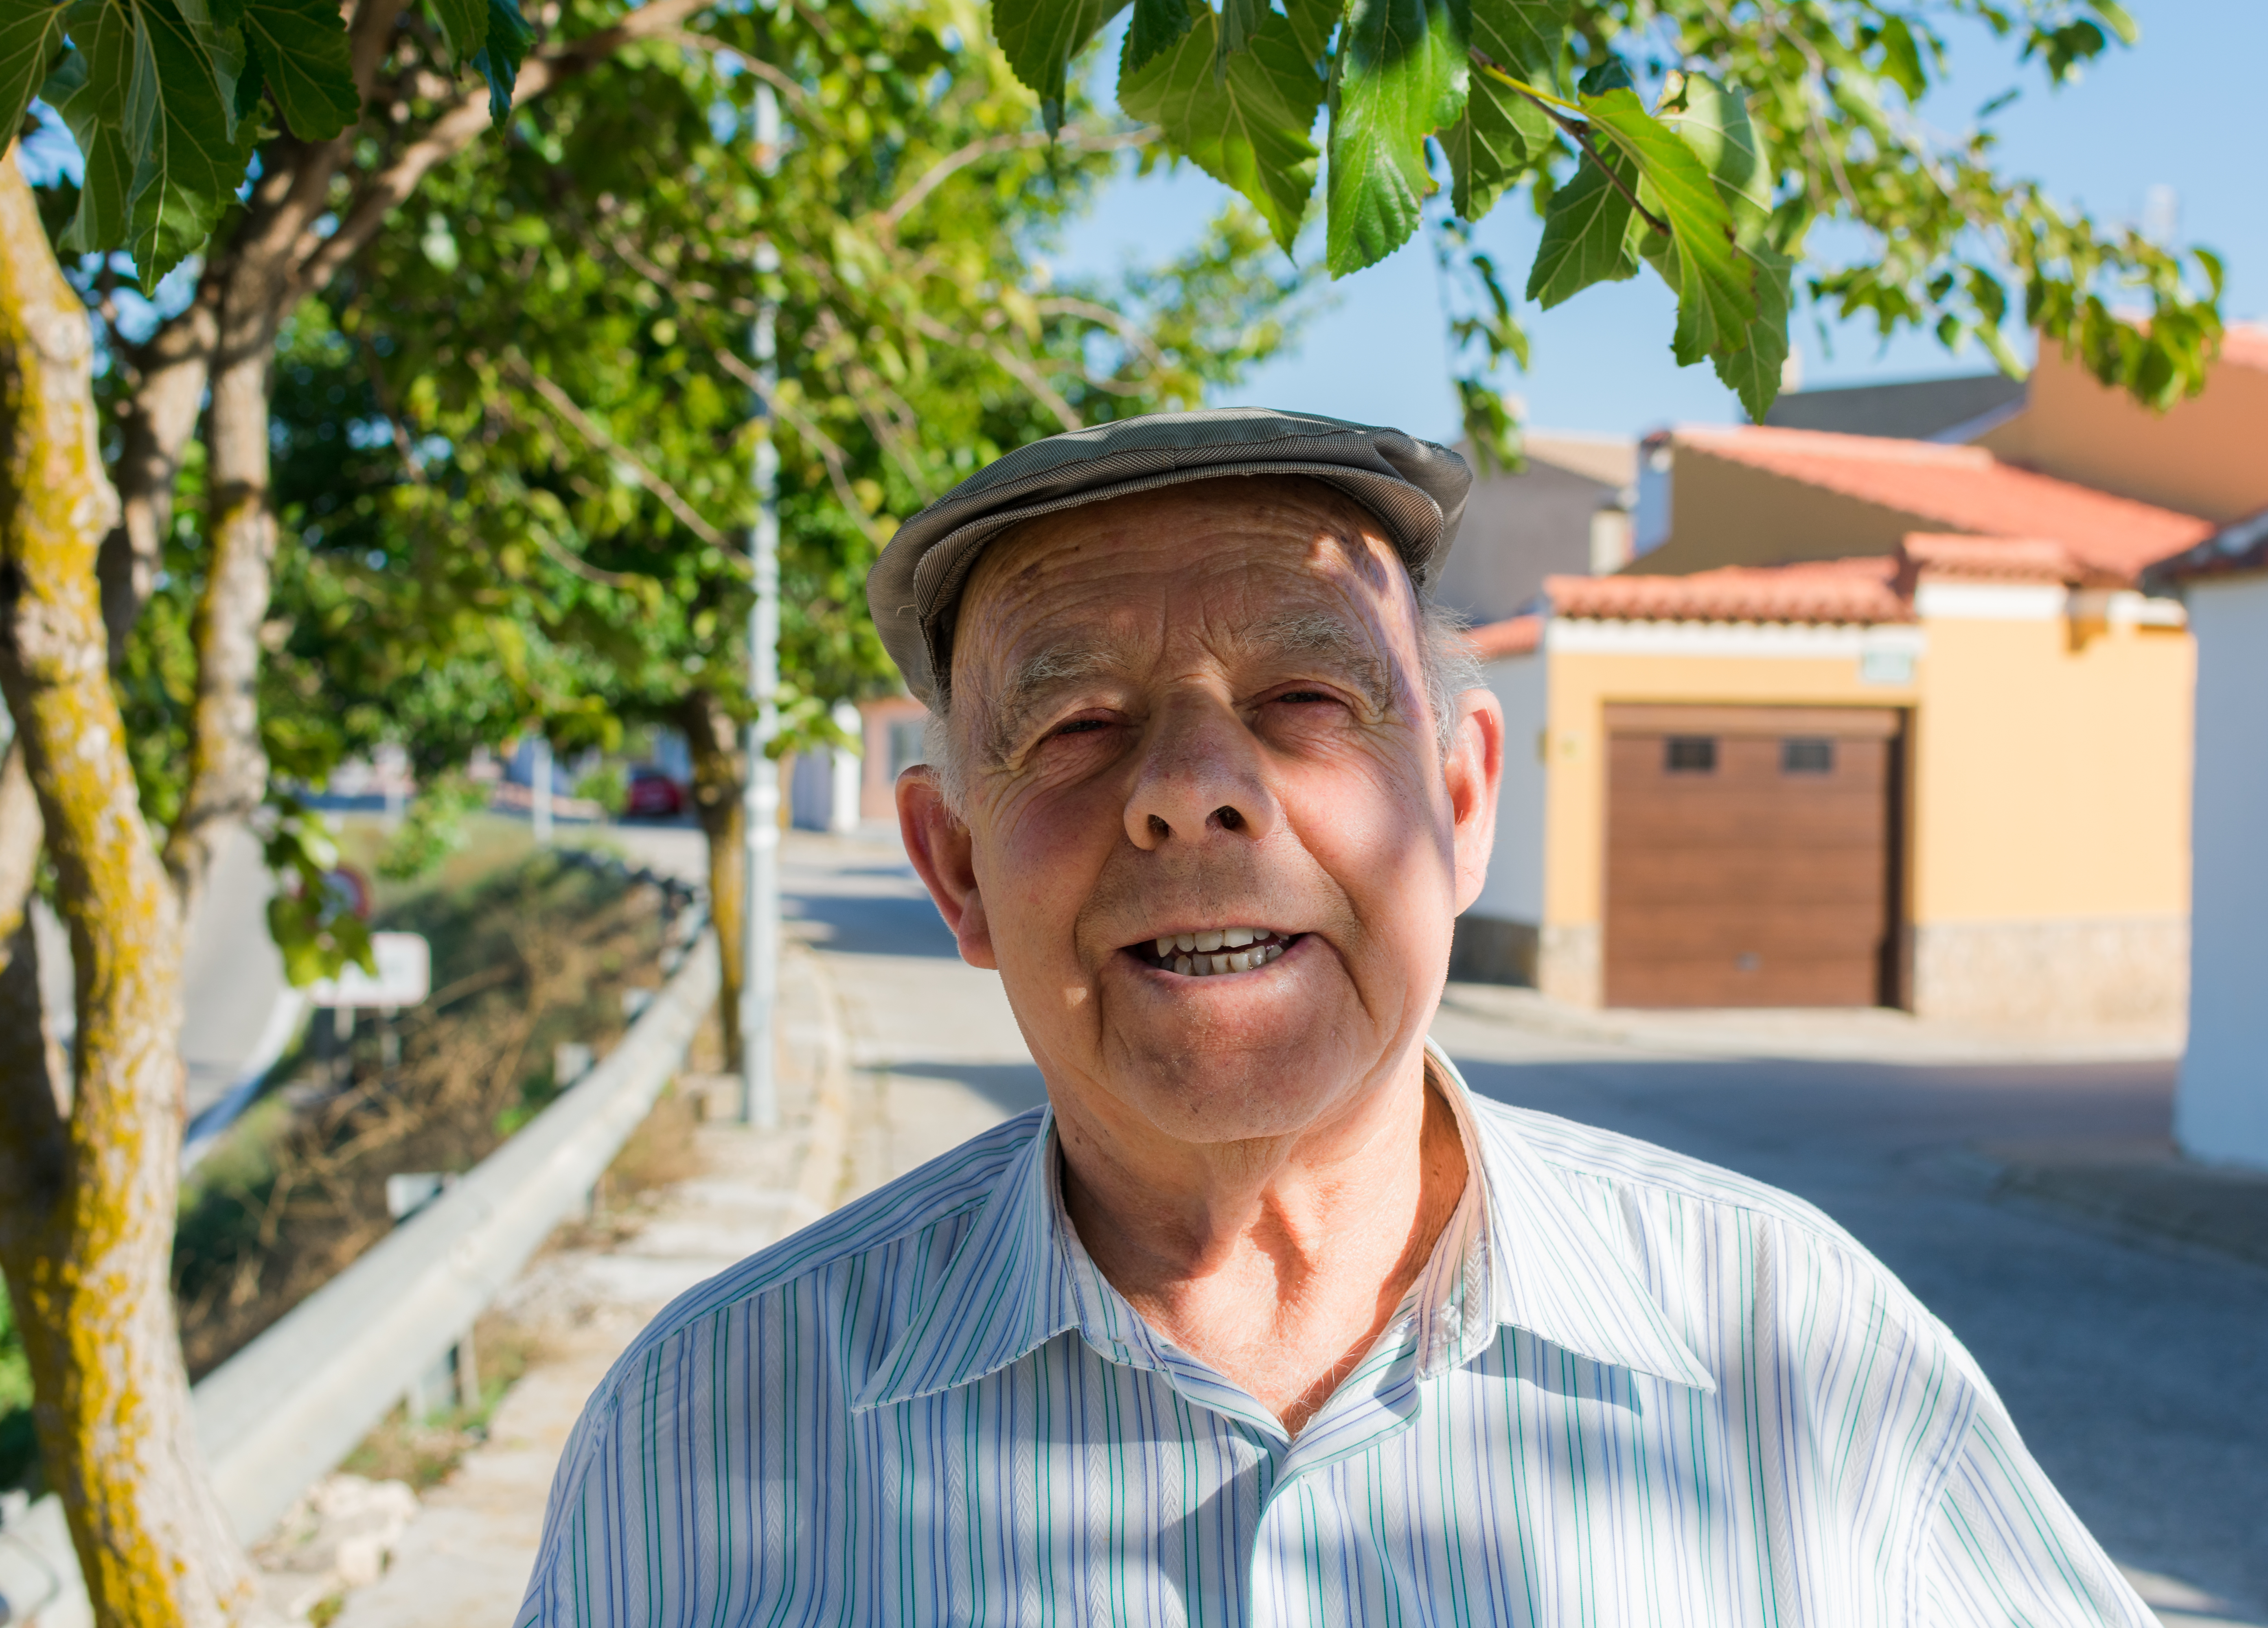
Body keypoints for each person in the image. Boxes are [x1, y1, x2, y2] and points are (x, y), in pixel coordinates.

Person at [518, 409, 2155, 1626]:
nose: (1191, 791)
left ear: (1460, 796)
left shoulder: (1799, 1354)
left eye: (1306, 700)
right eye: (1078, 721)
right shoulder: (711, 1429)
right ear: (953, 869)